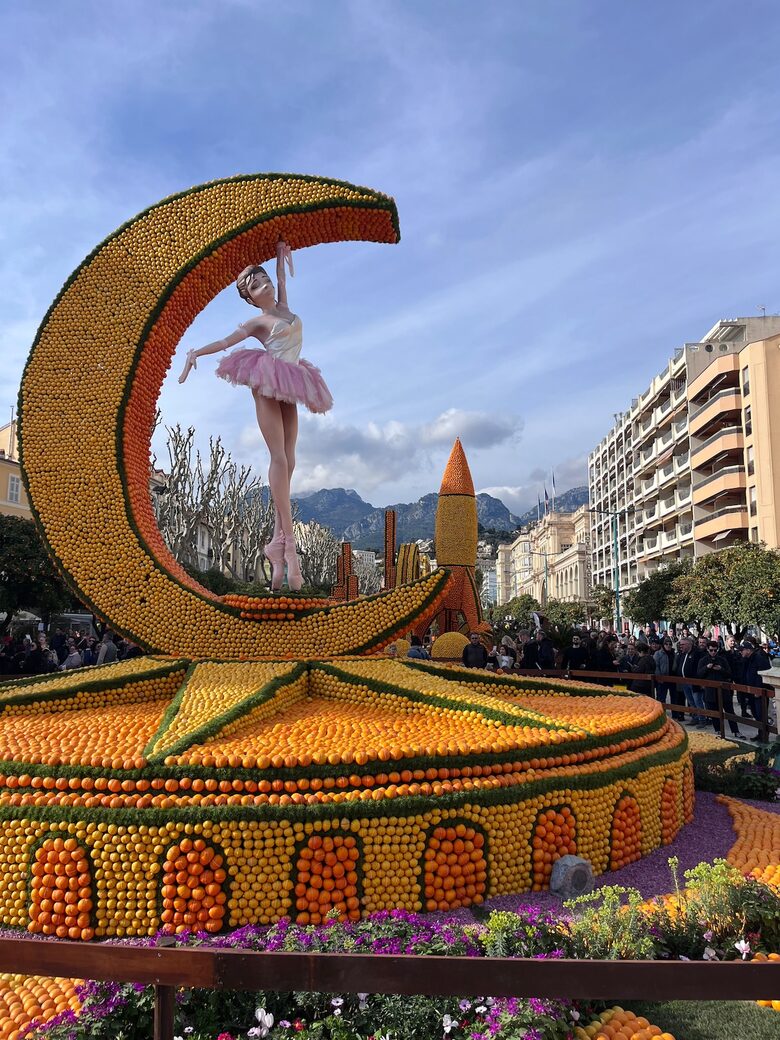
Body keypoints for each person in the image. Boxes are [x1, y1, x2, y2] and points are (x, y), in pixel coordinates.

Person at [178, 240, 332, 593]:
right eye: (255, 285)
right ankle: (290, 548)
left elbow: (281, 276)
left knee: (291, 461)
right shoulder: (257, 321)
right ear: (249, 297)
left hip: (293, 382)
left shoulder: (284, 308)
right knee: (279, 456)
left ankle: (276, 547)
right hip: (267, 382)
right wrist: (195, 352)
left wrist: (281, 253)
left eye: (263, 278)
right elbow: (225, 342)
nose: (264, 284)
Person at [696, 641, 739, 737]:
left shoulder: (722, 660)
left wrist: (721, 669)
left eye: (715, 650)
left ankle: (736, 731)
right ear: (707, 649)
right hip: (710, 691)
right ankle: (718, 731)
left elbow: (729, 673)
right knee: (714, 713)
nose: (713, 652)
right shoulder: (703, 660)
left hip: (723, 691)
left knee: (730, 711)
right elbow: (699, 674)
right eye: (711, 650)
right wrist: (707, 667)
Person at [740, 639, 773, 741]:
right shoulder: (748, 659)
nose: (740, 652)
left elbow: (763, 675)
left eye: (742, 650)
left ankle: (764, 736)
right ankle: (760, 733)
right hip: (751, 691)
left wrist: (758, 689)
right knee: (755, 714)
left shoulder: (759, 658)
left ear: (748, 650)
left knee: (761, 714)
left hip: (759, 693)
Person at [673, 637, 703, 725]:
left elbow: (698, 669)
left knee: (697, 701)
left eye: (682, 644)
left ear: (689, 644)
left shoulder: (697, 654)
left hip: (694, 682)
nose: (680, 646)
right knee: (691, 701)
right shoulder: (682, 654)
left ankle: (702, 719)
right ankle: (695, 718)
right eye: (680, 644)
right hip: (684, 682)